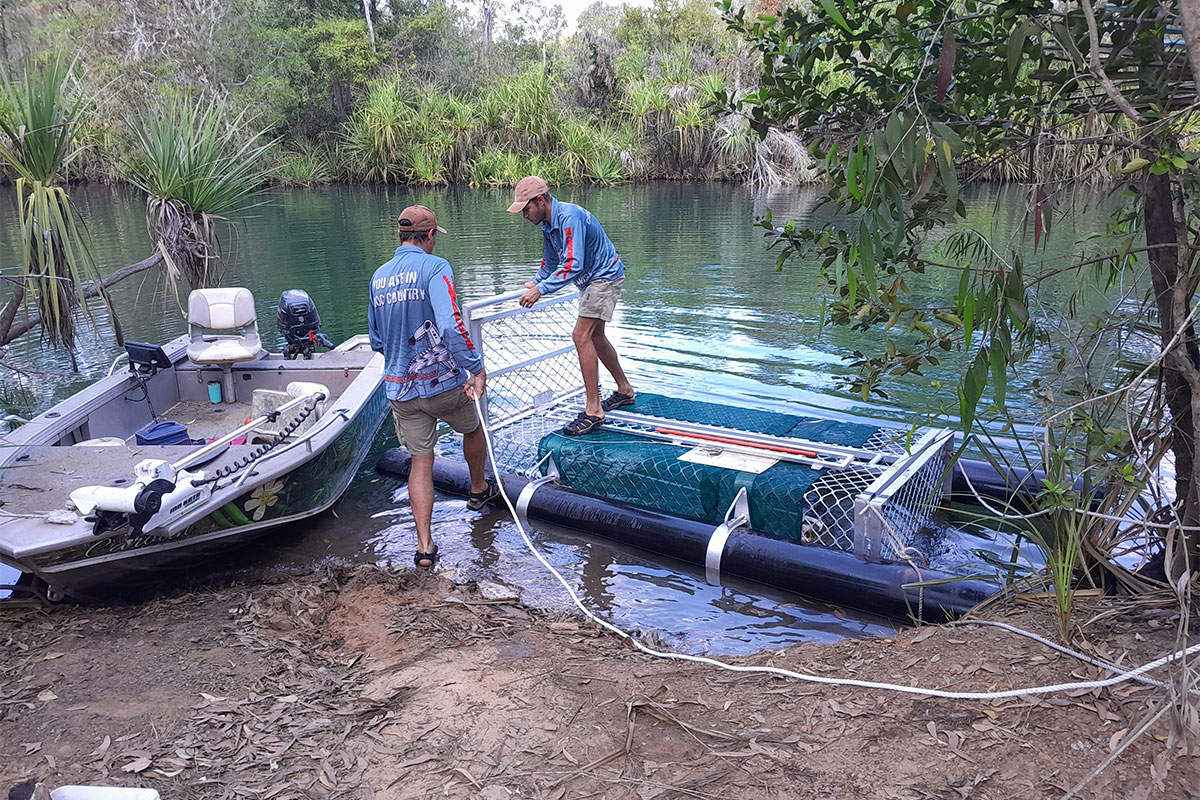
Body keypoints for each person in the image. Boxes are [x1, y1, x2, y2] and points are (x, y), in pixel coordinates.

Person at [368, 205, 498, 569]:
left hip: (400, 390)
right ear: (428, 237)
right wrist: (476, 368)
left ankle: (425, 549)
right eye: (433, 237)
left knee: (420, 463)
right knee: (472, 427)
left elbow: (376, 339)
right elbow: (452, 326)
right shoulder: (436, 268)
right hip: (442, 385)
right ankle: (477, 491)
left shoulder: (378, 277)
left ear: (400, 236)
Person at [508, 176, 636, 436]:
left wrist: (541, 290)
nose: (523, 214)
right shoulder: (548, 224)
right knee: (595, 337)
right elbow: (550, 263)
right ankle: (624, 390)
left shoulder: (570, 217)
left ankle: (594, 410)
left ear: (540, 200)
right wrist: (535, 282)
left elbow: (573, 264)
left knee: (581, 335)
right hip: (591, 281)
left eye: (525, 208)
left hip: (604, 276)